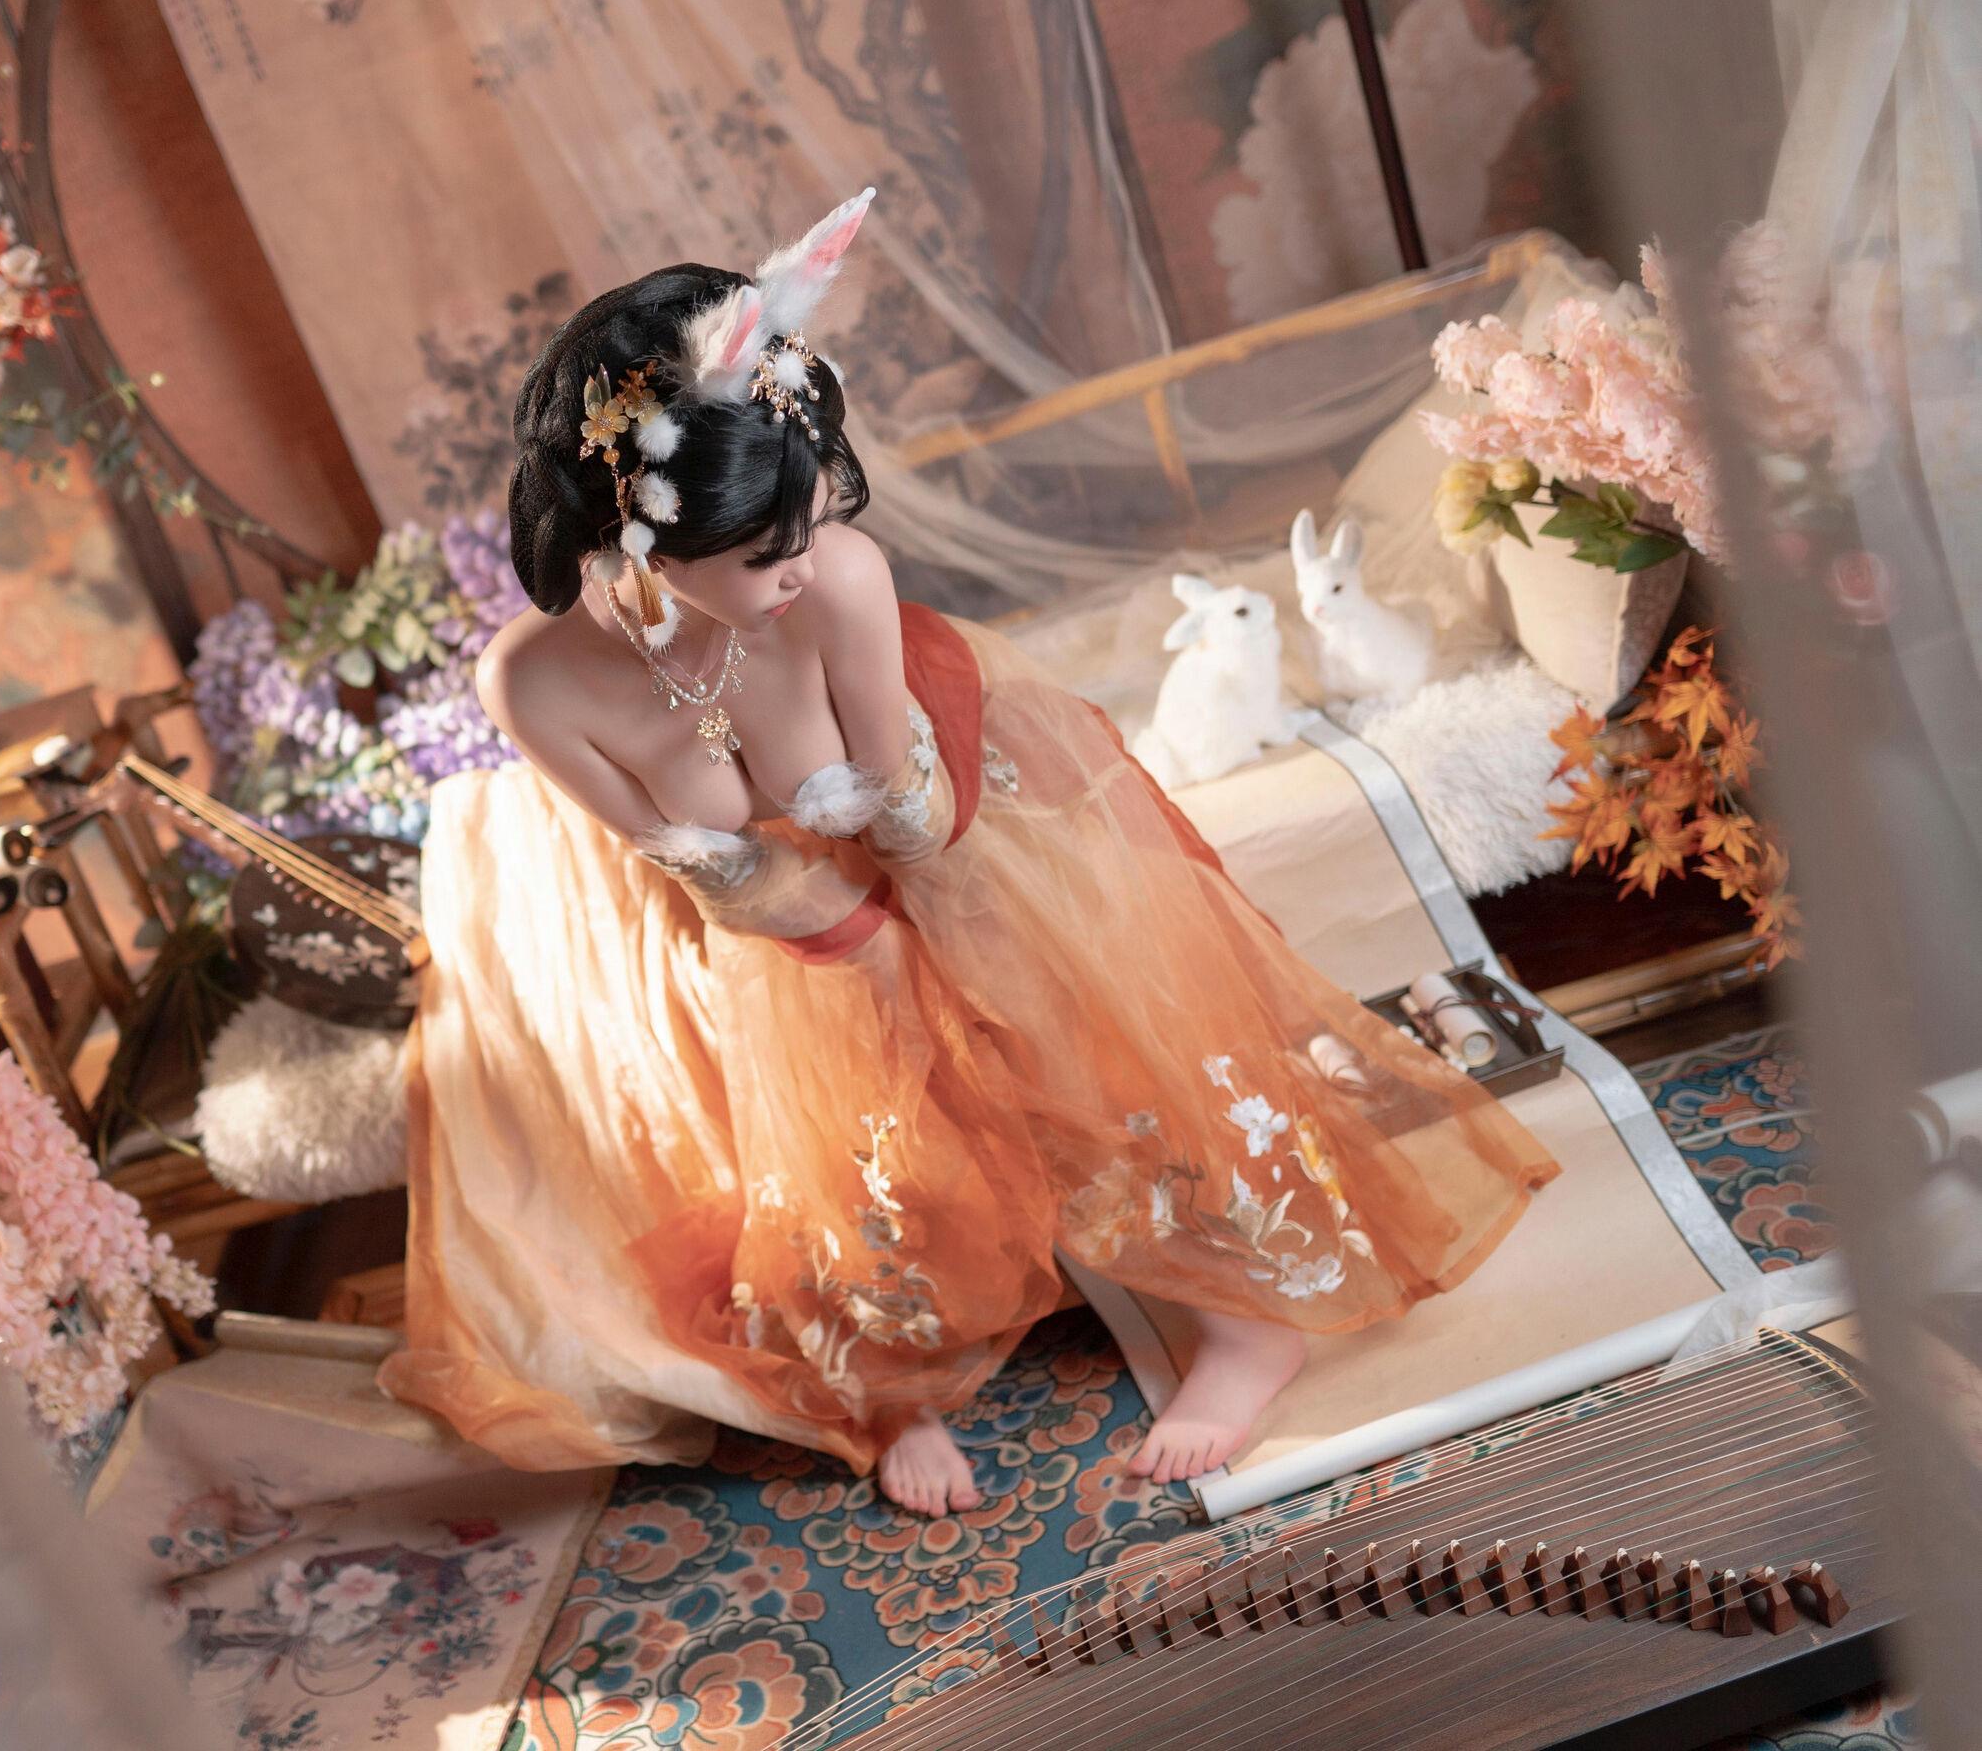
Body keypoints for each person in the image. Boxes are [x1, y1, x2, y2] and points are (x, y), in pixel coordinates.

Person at [374, 193, 1558, 1516]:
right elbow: (682, 851)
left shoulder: (839, 579)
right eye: (763, 550)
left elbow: (908, 799)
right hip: (779, 907)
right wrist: (852, 949)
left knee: (1074, 1034)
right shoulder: (534, 683)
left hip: (948, 810)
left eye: (811, 519)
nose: (802, 562)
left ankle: (1245, 1322)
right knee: (856, 1134)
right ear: (644, 544)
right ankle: (903, 1387)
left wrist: (942, 951)